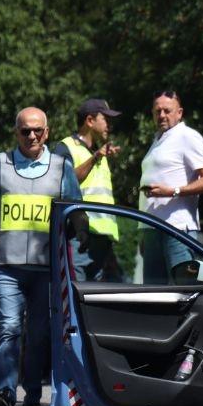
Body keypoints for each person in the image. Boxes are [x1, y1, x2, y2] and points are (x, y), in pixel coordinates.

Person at [0, 107, 83, 406]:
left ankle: (32, 401)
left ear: (47, 132)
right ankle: (5, 395)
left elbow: (76, 210)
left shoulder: (62, 168)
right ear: (16, 132)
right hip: (7, 264)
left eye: (37, 130)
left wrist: (83, 237)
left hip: (45, 269)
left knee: (39, 336)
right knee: (10, 329)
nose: (32, 136)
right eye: (25, 130)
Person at [139, 90, 203, 284]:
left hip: (177, 229)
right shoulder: (157, 141)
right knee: (152, 294)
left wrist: (173, 191)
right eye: (157, 111)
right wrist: (143, 231)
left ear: (179, 113)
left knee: (185, 290)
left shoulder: (187, 137)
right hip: (152, 229)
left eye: (167, 110)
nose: (161, 115)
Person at [55, 98, 123, 282]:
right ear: (90, 121)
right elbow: (65, 183)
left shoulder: (100, 153)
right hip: (79, 237)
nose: (109, 125)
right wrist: (95, 157)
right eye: (105, 119)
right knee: (76, 293)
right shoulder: (65, 147)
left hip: (103, 240)